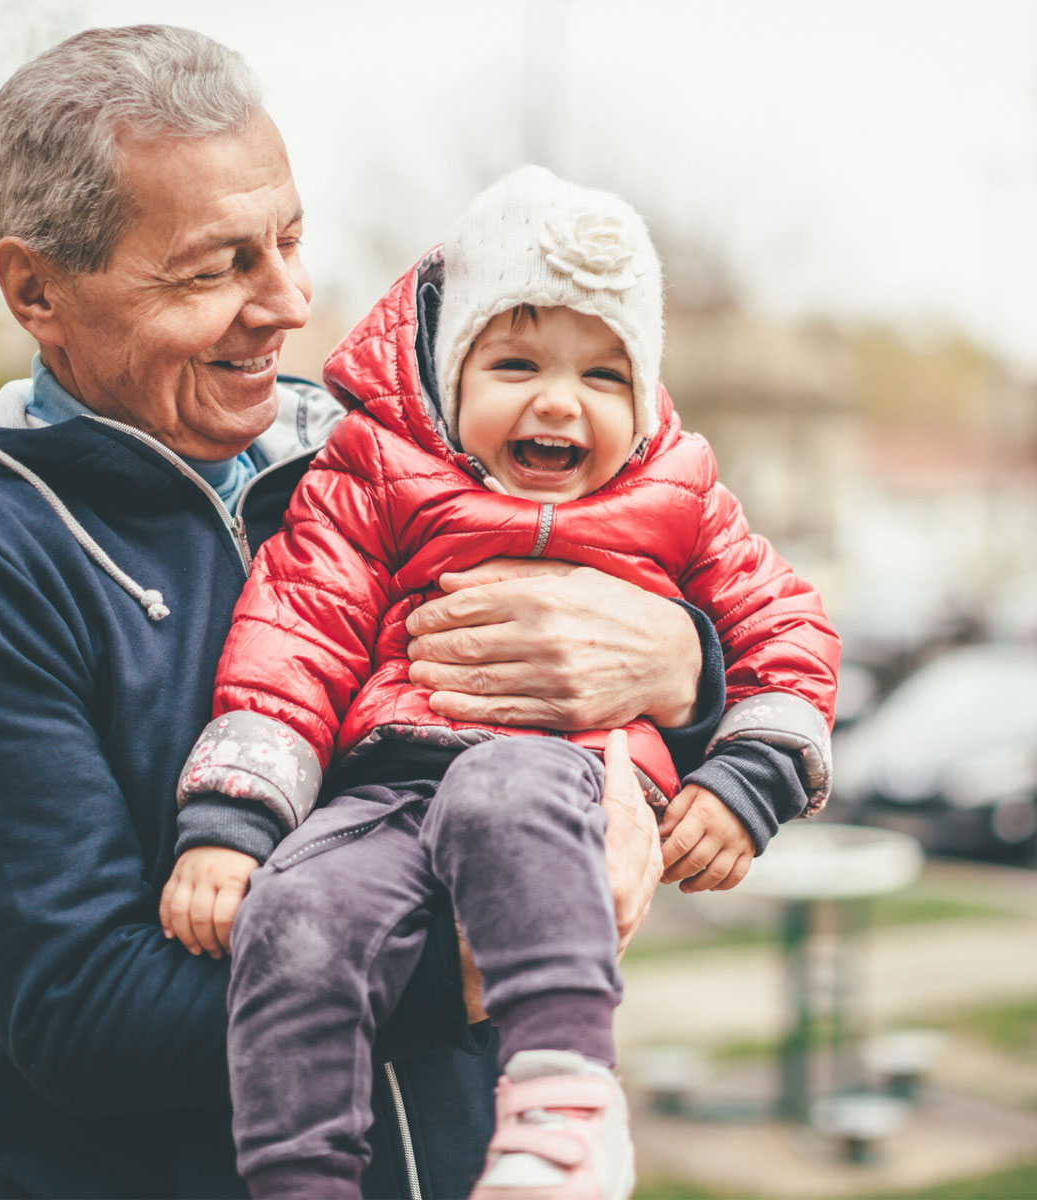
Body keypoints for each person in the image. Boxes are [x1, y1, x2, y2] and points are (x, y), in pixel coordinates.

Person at [0, 27, 723, 1200]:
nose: (288, 302)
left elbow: (671, 570)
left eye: (291, 241)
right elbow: (84, 1015)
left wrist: (681, 665)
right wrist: (501, 957)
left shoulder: (373, 459)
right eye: (214, 269)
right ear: (35, 288)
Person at [161, 167, 840, 1198]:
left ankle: (567, 1106)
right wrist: (232, 818)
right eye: (516, 362)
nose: (559, 401)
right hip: (388, 794)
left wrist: (750, 775)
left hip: (563, 777)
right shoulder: (375, 474)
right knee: (297, 913)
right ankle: (301, 1179)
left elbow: (784, 627)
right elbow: (297, 628)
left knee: (500, 789)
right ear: (448, 372)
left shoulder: (679, 493)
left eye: (606, 377)